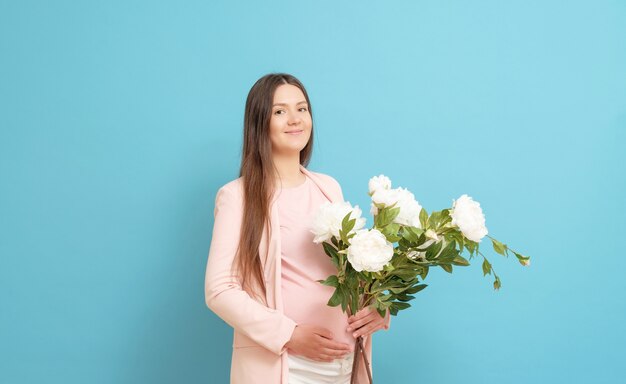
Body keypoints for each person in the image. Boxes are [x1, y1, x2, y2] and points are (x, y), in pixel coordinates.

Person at [204, 73, 390, 384]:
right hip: (286, 366)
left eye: (302, 109)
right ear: (259, 123)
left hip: (343, 363)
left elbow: (349, 273)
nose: (295, 119)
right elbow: (219, 290)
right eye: (280, 111)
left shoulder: (328, 188)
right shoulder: (237, 197)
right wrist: (289, 335)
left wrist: (377, 310)